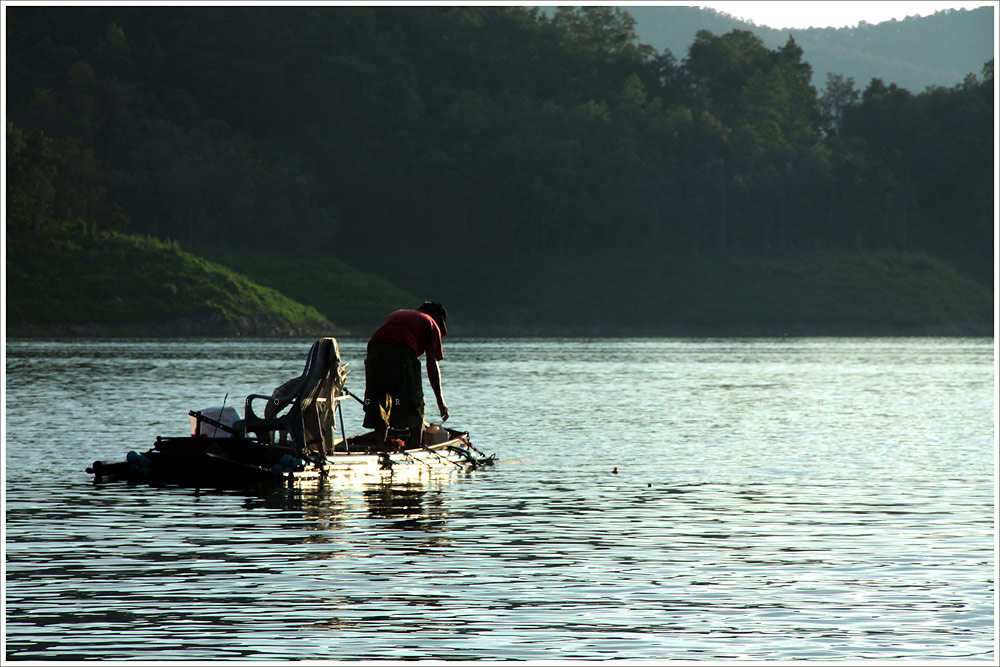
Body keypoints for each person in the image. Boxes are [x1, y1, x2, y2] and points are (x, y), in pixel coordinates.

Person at [363, 302, 449, 450]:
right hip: (401, 355)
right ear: (438, 318)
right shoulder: (431, 322)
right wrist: (441, 402)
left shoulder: (400, 313)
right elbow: (432, 364)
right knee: (413, 402)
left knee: (378, 401)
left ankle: (380, 447)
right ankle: (415, 447)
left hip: (374, 353)